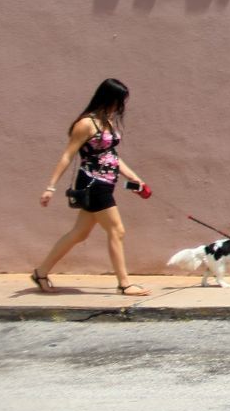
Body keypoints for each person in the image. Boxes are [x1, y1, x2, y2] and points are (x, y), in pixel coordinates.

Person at [32, 78, 153, 296]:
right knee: (117, 230)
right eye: (119, 100)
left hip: (107, 182)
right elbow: (68, 155)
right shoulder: (86, 123)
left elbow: (111, 156)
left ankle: (40, 272)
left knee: (79, 234)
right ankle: (124, 284)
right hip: (92, 183)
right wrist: (51, 187)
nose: (120, 106)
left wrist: (135, 179)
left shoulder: (107, 120)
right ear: (108, 98)